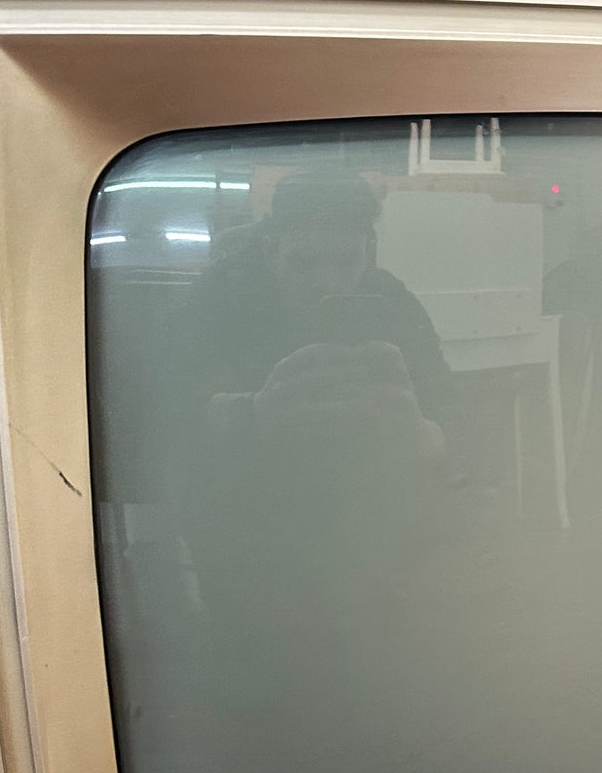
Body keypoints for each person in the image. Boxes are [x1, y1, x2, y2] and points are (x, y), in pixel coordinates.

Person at [172, 171, 456, 673]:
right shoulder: (215, 298)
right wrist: (252, 413)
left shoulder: (387, 296)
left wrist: (421, 431)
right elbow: (155, 418)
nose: (329, 283)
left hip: (360, 517)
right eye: (304, 263)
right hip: (250, 518)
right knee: (264, 674)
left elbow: (450, 404)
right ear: (269, 246)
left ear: (369, 248)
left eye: (347, 261)